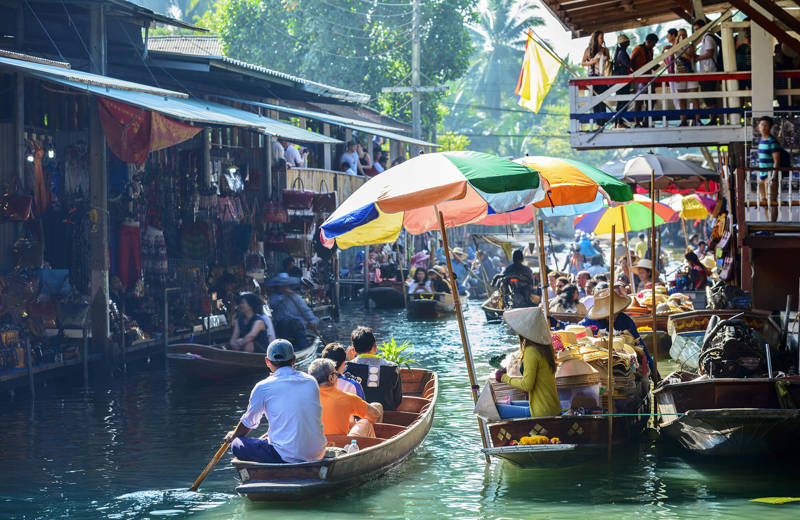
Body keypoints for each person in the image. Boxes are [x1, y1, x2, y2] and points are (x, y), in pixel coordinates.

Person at [224, 339, 326, 464]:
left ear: (267, 361)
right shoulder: (311, 381)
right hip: (317, 452)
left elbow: (249, 423)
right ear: (293, 359)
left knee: (237, 444)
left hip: (285, 455)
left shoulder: (263, 387)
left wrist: (234, 435)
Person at [493, 307, 561, 418]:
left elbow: (527, 385)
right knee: (505, 404)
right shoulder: (546, 348)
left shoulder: (531, 351)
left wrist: (503, 378)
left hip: (542, 412)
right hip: (552, 407)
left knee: (495, 409)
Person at [579, 288, 654, 375]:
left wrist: (656, 375)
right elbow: (577, 331)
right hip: (598, 363)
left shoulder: (625, 320)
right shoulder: (590, 322)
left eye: (616, 313)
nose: (613, 317)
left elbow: (641, 345)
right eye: (609, 315)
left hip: (625, 362)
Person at [309, 358, 383, 438]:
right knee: (366, 422)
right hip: (341, 446)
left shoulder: (303, 399)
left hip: (311, 446)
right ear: (331, 378)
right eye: (336, 374)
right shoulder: (347, 398)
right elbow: (375, 415)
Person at [347, 326, 403, 410]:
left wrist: (349, 361)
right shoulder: (392, 367)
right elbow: (397, 399)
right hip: (387, 415)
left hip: (358, 417)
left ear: (354, 350)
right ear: (375, 347)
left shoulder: (347, 368)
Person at [268, 273, 319, 350]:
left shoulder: (296, 297)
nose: (284, 287)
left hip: (297, 327)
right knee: (285, 322)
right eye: (282, 285)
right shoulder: (275, 297)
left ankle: (304, 348)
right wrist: (284, 295)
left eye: (285, 285)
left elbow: (306, 311)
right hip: (281, 327)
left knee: (296, 324)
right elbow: (273, 304)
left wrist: (313, 321)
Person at [693, 19, 720, 125]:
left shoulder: (707, 38)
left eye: (697, 29)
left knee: (709, 97)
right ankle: (713, 118)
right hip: (707, 71)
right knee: (709, 97)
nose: (696, 31)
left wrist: (698, 58)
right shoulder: (706, 38)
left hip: (709, 71)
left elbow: (709, 53)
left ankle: (713, 119)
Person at [582, 30, 610, 127]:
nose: (602, 40)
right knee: (595, 99)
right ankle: (599, 124)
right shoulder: (588, 50)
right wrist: (592, 62)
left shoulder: (605, 50)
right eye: (601, 38)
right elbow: (583, 63)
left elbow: (608, 61)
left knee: (602, 99)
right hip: (592, 77)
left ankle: (602, 123)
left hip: (602, 77)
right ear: (596, 38)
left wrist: (605, 57)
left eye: (603, 38)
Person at [630, 33, 658, 127]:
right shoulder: (638, 49)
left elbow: (651, 63)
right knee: (639, 101)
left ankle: (646, 121)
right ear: (648, 41)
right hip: (639, 78)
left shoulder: (650, 51)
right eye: (653, 44)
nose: (653, 46)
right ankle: (637, 122)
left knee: (651, 100)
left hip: (648, 77)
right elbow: (631, 63)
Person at [757, 115, 781, 222]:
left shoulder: (772, 141)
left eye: (766, 125)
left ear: (770, 127)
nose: (764, 127)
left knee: (772, 202)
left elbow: (777, 161)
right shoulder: (761, 141)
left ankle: (772, 225)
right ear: (759, 127)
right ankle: (768, 223)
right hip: (761, 177)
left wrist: (774, 178)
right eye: (762, 125)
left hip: (770, 176)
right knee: (764, 203)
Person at [612, 33, 632, 128]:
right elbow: (629, 64)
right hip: (622, 80)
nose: (629, 42)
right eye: (627, 41)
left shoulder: (620, 52)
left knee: (621, 101)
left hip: (621, 80)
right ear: (624, 43)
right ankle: (619, 122)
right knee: (622, 102)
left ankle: (618, 122)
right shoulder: (622, 53)